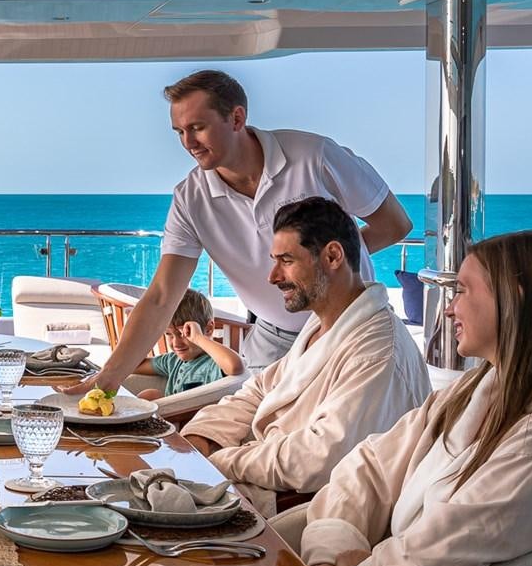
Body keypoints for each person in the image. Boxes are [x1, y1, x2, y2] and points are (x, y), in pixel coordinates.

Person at [298, 230, 532, 566]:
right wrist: (331, 545)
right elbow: (372, 463)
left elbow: (456, 541)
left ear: (513, 297)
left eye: (462, 291)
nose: (448, 308)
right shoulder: (472, 391)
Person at [65, 69, 412, 397]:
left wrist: (322, 268)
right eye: (179, 132)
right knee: (257, 439)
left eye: (197, 127)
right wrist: (107, 378)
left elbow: (395, 224)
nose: (189, 143)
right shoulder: (191, 199)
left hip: (349, 329)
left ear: (236, 118)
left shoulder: (315, 157)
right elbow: (160, 298)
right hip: (272, 339)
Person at [179, 197, 430, 514]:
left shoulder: (377, 350)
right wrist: (204, 437)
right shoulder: (324, 322)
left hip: (308, 507)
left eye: (286, 260)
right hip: (263, 473)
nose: (272, 276)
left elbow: (319, 459)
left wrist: (221, 461)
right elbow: (260, 389)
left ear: (333, 256)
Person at [135, 288, 244, 401]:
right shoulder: (172, 361)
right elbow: (134, 366)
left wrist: (198, 338)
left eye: (184, 333)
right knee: (150, 395)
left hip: (195, 416)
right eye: (168, 334)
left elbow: (235, 366)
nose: (176, 343)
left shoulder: (212, 364)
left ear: (208, 329)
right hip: (170, 413)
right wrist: (143, 331)